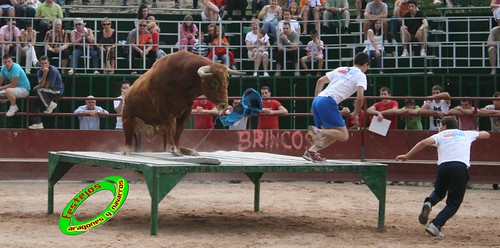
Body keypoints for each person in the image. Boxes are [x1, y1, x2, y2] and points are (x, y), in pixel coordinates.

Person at [395, 116, 490, 237]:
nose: (439, 128)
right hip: (460, 167)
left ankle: (429, 202)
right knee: (453, 204)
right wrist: (474, 132)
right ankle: (436, 225)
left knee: (439, 193)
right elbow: (486, 134)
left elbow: (423, 142)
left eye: (440, 125)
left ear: (444, 126)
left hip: (443, 167)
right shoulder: (466, 134)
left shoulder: (441, 135)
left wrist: (407, 156)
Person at [304, 52, 370, 162]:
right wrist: (355, 112)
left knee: (333, 135)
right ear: (365, 65)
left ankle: (311, 151)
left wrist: (315, 101)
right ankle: (317, 131)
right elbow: (360, 97)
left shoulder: (342, 69)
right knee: (344, 135)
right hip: (328, 101)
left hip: (319, 99)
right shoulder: (361, 75)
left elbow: (320, 81)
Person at [28, 55, 63, 130]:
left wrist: (45, 74)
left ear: (49, 63)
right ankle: (37, 123)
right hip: (46, 92)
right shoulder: (39, 71)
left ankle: (50, 104)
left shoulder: (53, 70)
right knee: (32, 101)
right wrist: (44, 74)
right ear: (40, 64)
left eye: (46, 63)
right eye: (42, 63)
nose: (44, 65)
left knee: (38, 90)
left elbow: (46, 85)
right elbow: (41, 84)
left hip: (57, 91)